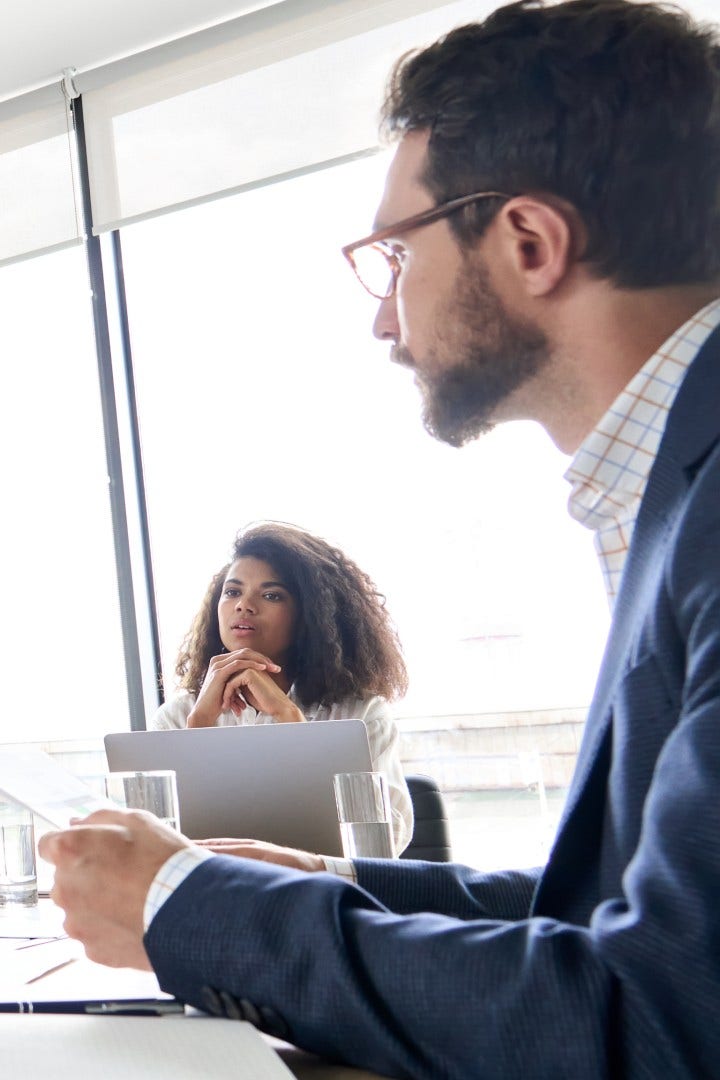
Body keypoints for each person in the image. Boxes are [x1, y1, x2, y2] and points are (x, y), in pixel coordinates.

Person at [38, 2, 720, 1075]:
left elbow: (663, 1021)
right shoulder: (671, 487)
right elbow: (610, 911)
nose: (382, 319)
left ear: (531, 241)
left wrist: (191, 908)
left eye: (392, 257)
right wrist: (336, 883)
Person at [154, 522, 413, 850]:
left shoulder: (360, 716)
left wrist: (290, 720)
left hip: (320, 893)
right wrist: (198, 732)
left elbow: (381, 844)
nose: (243, 605)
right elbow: (157, 850)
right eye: (233, 592)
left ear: (310, 615)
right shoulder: (178, 718)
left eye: (271, 595)